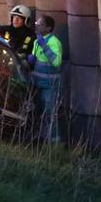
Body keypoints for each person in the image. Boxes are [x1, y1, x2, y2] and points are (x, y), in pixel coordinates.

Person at [27, 15, 63, 143]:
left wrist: (45, 47)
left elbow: (57, 62)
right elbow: (36, 61)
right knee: (38, 113)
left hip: (50, 86)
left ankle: (54, 144)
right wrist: (31, 60)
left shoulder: (54, 42)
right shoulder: (37, 41)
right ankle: (41, 140)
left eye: (40, 24)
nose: (37, 25)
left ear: (48, 28)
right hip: (37, 84)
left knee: (50, 114)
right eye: (37, 23)